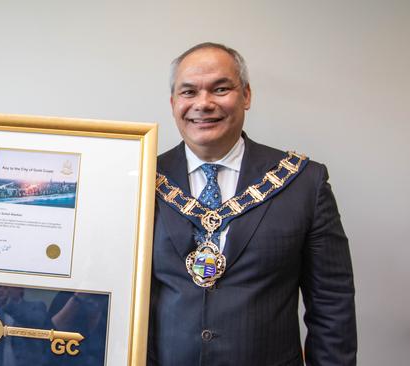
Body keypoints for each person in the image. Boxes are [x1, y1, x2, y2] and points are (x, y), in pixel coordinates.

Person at [148, 43, 356, 365]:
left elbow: (332, 306)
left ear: (246, 95)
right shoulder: (143, 180)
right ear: (174, 102)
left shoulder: (303, 182)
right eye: (188, 92)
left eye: (220, 88)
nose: (203, 104)